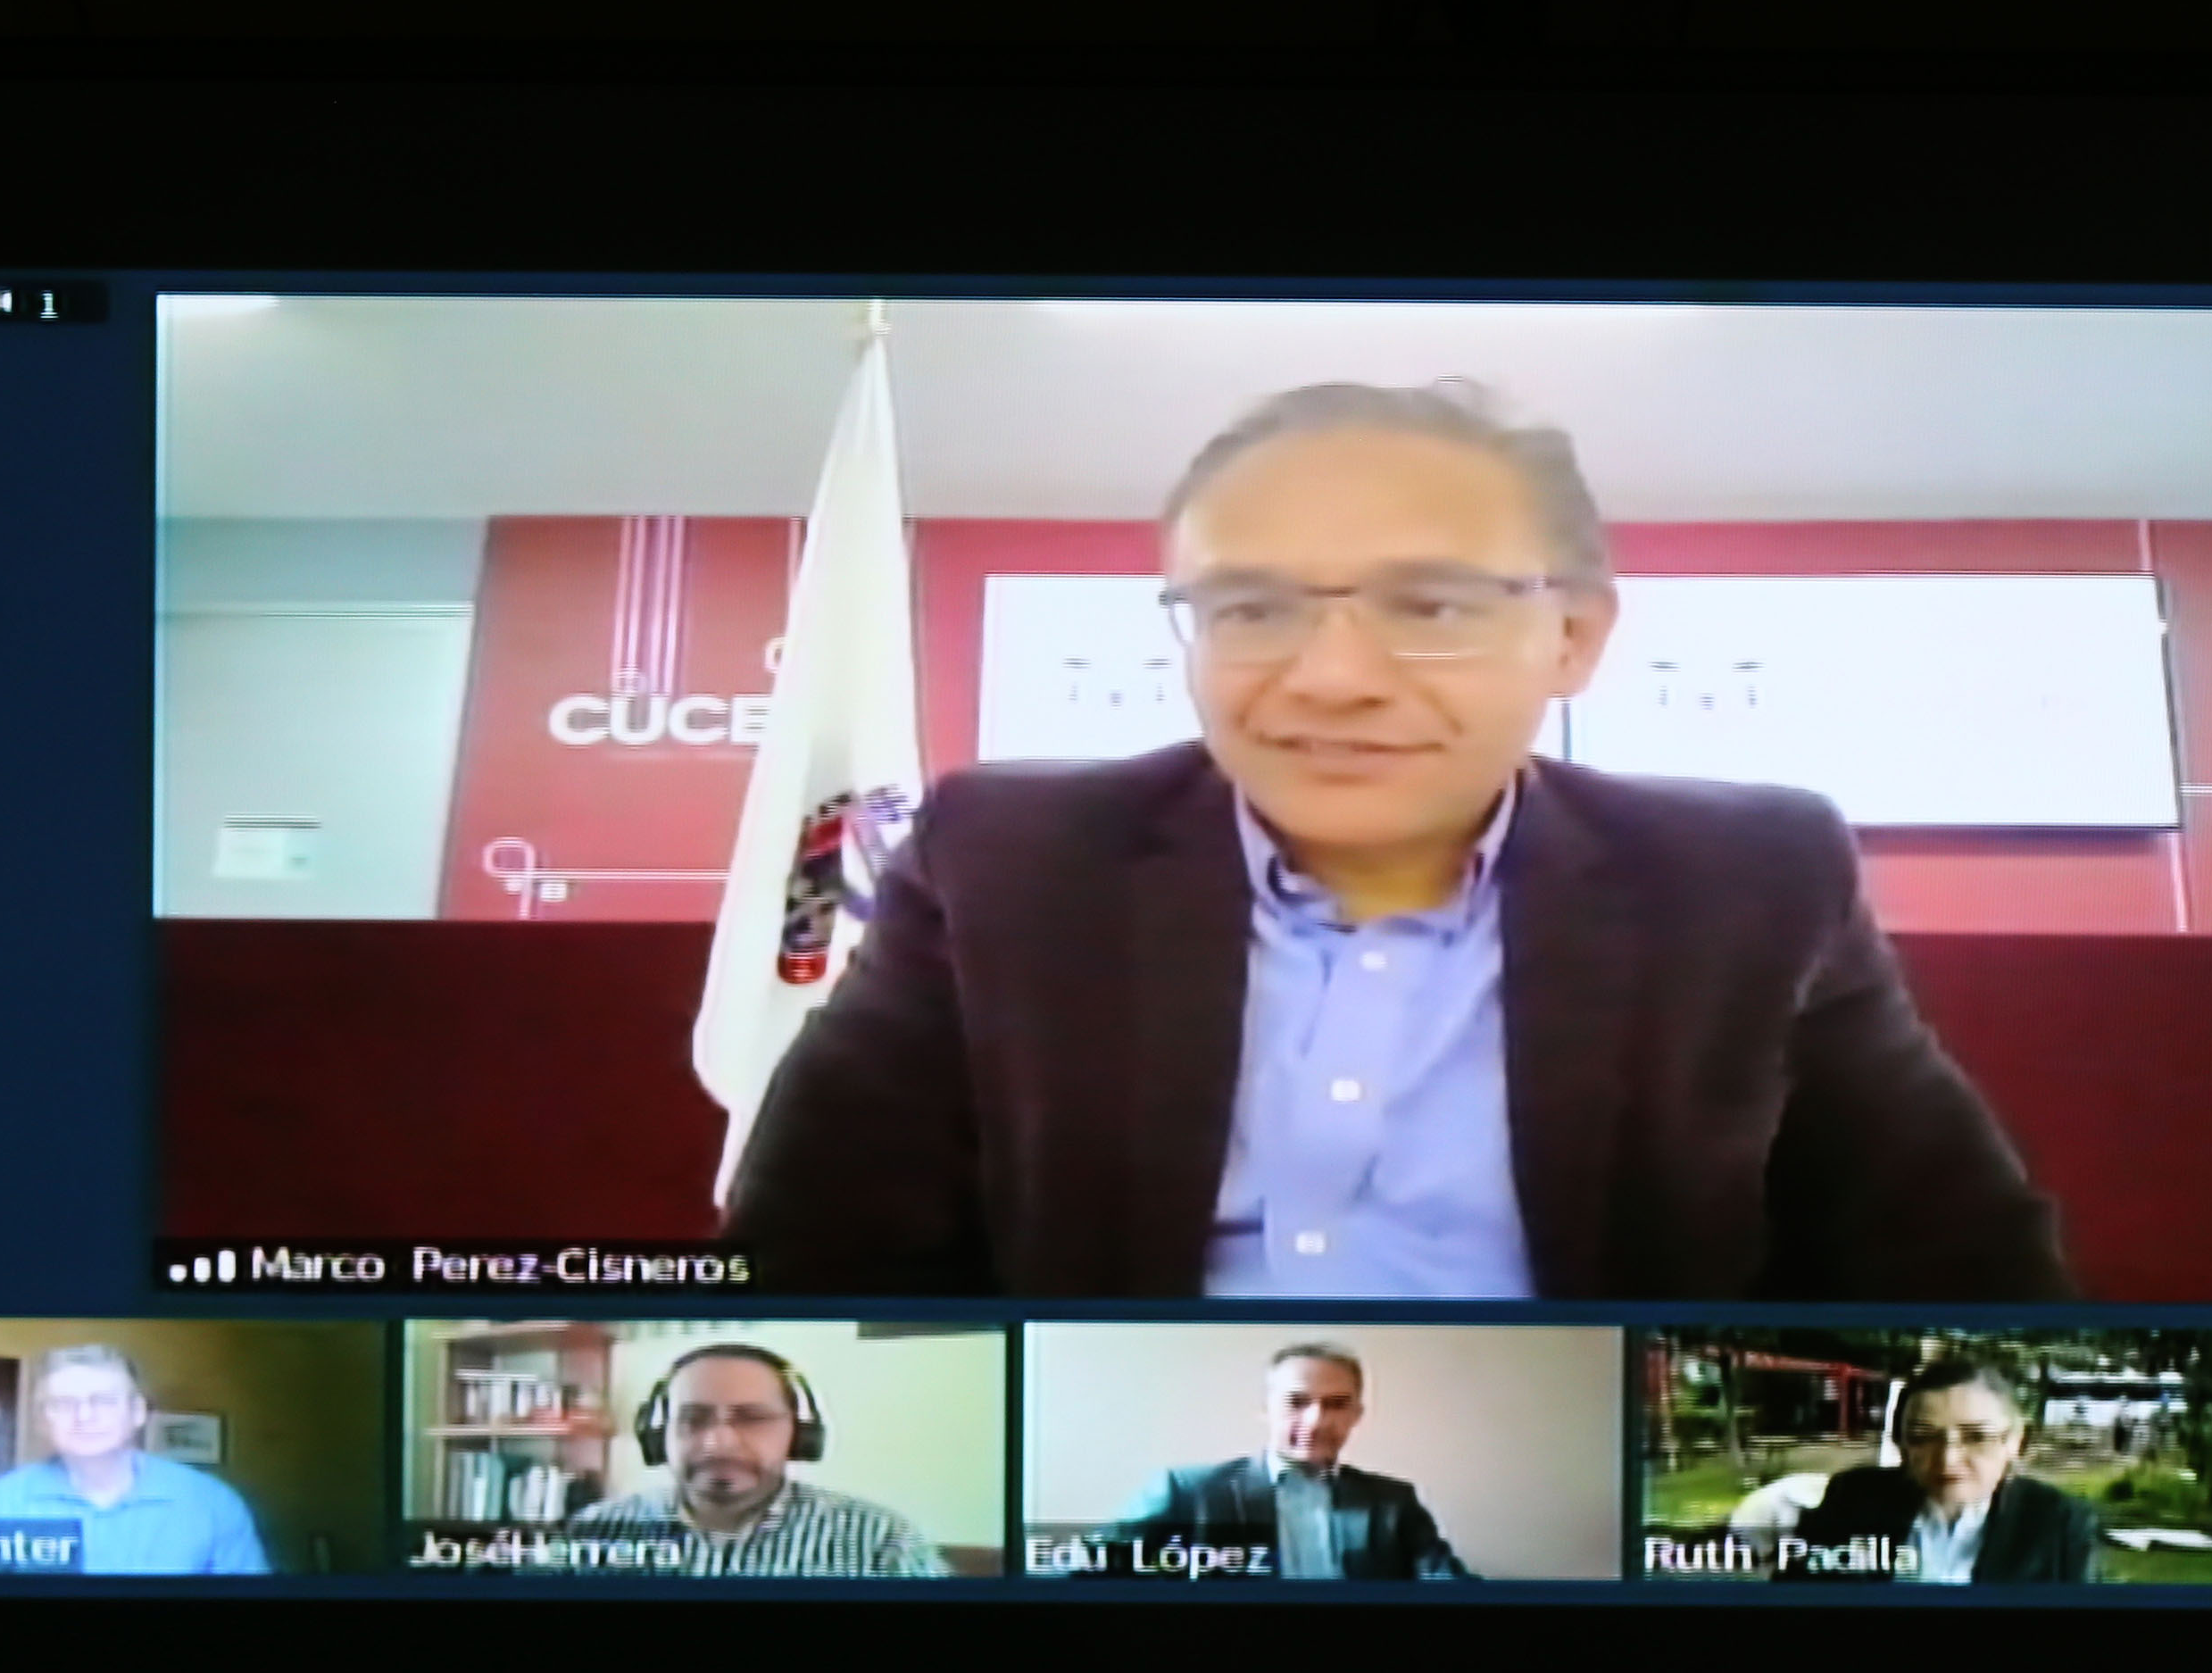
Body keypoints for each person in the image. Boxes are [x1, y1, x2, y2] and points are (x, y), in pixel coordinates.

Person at [726, 380, 2068, 1301]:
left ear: (1573, 637)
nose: (1329, 678)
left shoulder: (1749, 880)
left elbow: (1957, 1273)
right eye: (1250, 608)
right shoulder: (1006, 860)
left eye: (1428, 607)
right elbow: (814, 1263)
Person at [561, 1344, 945, 1576]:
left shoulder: (880, 1540)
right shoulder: (594, 1531)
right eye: (693, 1419)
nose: (719, 1442)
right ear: (658, 1435)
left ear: (800, 1434)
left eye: (752, 1418)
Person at [1108, 1342, 1474, 1579]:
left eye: (1336, 1405)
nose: (1316, 1421)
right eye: (1297, 1403)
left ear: (1356, 1415)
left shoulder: (1394, 1500)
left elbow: (1446, 1583)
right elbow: (1095, 1570)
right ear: (1266, 1410)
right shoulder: (1188, 1492)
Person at [1782, 1356, 2099, 1583]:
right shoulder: (1851, 1498)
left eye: (1976, 1438)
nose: (1947, 1460)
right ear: (1901, 1444)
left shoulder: (2059, 1522)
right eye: (1922, 1438)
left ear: (2016, 1442)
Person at [0, 1345, 270, 1574]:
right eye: (63, 1404)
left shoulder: (212, 1503)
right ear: (42, 1421)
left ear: (138, 1412)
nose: (84, 1416)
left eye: (104, 1401)